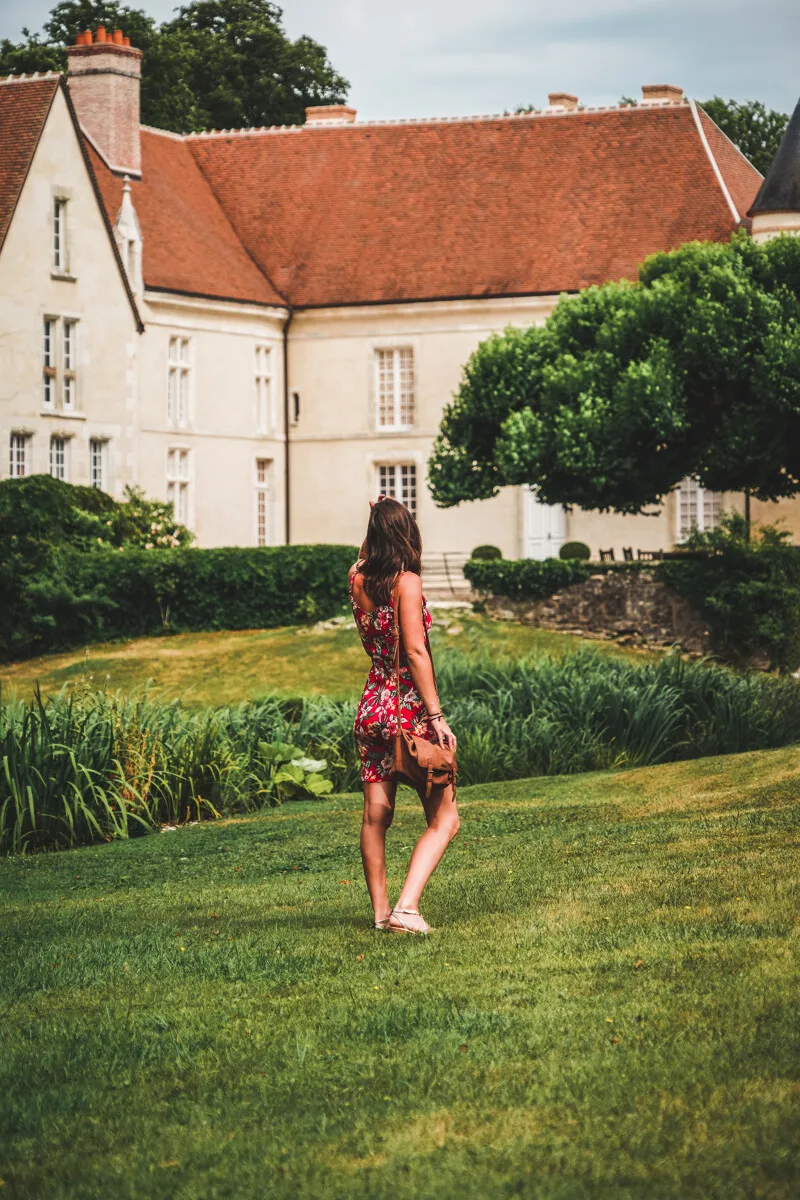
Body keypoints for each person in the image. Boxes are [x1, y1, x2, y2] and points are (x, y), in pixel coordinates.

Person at [348, 496, 459, 934]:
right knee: (445, 818)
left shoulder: (355, 578)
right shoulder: (407, 582)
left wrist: (375, 517)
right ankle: (406, 909)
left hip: (371, 705)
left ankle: (380, 914)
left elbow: (362, 556)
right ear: (407, 533)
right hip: (407, 708)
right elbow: (414, 651)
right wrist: (436, 716)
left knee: (377, 813)